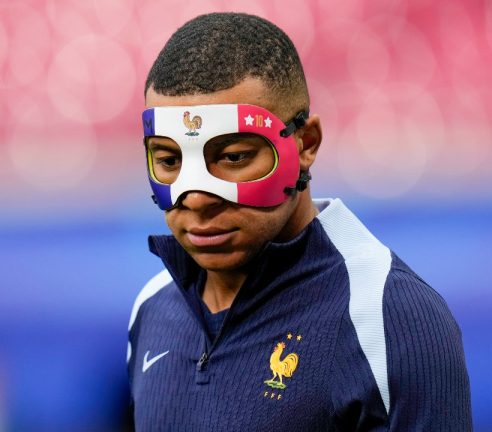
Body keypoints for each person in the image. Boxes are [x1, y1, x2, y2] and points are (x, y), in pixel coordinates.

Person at [127, 12, 472, 431]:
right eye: (168, 159)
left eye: (234, 157)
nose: (196, 197)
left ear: (306, 143)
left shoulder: (388, 315)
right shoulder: (153, 307)